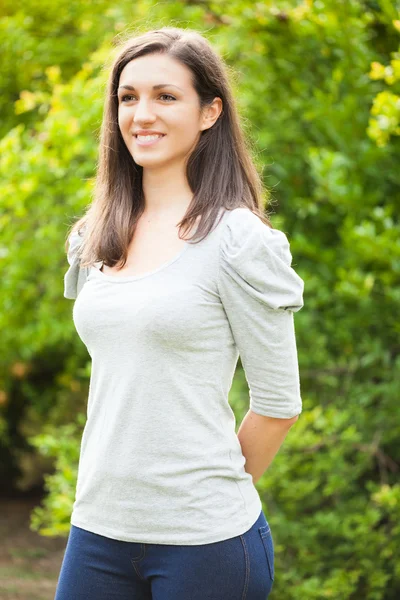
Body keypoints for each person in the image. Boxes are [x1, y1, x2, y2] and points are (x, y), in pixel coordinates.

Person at [55, 26, 304, 600]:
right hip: (97, 527)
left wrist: (198, 499)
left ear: (210, 111)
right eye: (128, 97)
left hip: (206, 544)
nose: (142, 113)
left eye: (166, 96)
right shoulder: (95, 236)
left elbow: (278, 404)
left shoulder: (239, 242)